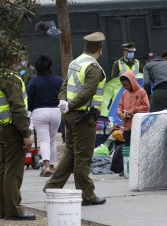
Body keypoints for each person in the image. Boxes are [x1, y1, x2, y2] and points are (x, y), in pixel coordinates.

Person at [44, 31, 107, 206]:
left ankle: (52, 186)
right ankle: (87, 195)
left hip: (70, 115)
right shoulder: (93, 67)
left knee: (71, 152)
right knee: (83, 156)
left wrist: (64, 102)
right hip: (83, 117)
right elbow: (88, 93)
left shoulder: (75, 62)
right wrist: (70, 105)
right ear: (99, 49)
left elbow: (64, 86)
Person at [0, 45, 35, 220]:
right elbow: (18, 108)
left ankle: (3, 209)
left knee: (3, 169)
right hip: (11, 131)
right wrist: (25, 134)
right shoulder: (10, 79)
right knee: (13, 171)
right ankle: (13, 210)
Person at [26, 55, 63, 177]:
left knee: (44, 140)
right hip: (55, 111)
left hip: (39, 112)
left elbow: (29, 99)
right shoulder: (58, 80)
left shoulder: (34, 81)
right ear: (50, 66)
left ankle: (46, 166)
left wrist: (31, 110)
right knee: (52, 140)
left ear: (37, 68)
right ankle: (52, 165)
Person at [117, 70, 150, 146]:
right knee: (128, 149)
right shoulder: (124, 93)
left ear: (133, 82)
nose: (126, 87)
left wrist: (133, 110)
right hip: (127, 128)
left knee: (138, 148)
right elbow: (120, 106)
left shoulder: (141, 92)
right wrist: (120, 113)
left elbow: (146, 106)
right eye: (124, 85)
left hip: (138, 127)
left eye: (127, 85)